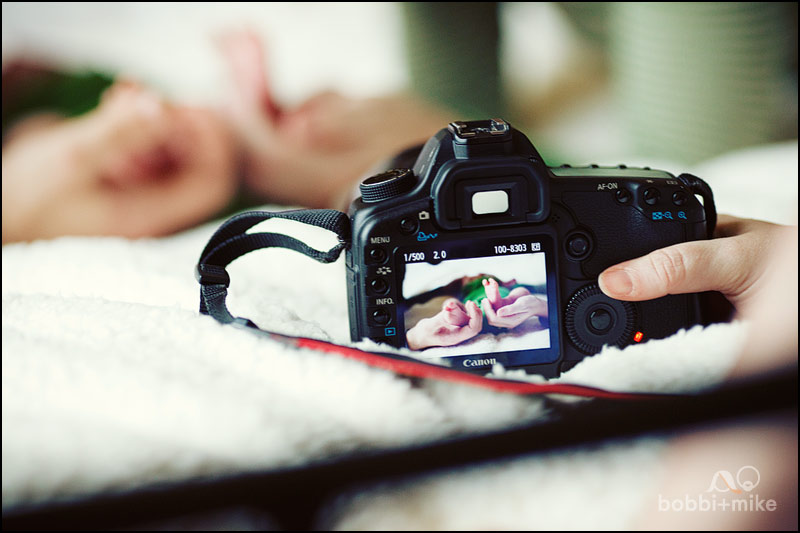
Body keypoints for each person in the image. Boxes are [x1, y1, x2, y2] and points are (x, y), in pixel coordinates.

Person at [405, 276, 549, 350]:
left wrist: (511, 283)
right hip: (475, 308)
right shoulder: (464, 292)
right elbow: (440, 293)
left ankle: (497, 302)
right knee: (453, 303)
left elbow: (540, 287)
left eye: (481, 276)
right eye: (469, 279)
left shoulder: (504, 284)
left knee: (521, 291)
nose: (476, 277)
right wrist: (453, 301)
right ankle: (458, 315)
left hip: (507, 303)